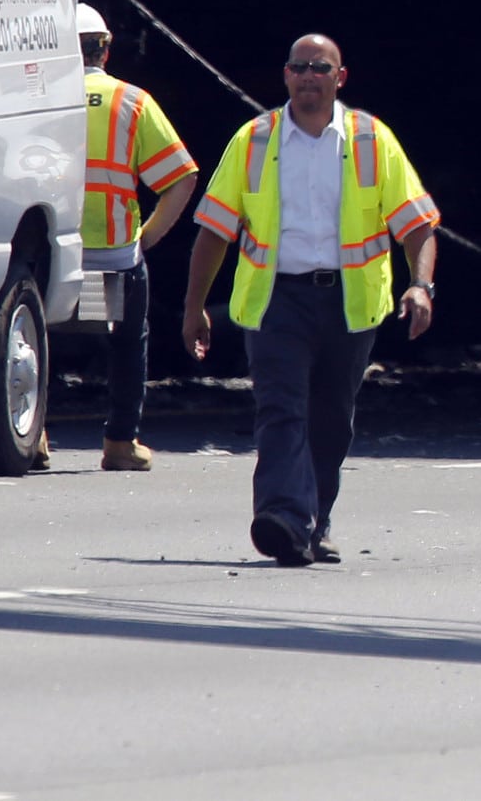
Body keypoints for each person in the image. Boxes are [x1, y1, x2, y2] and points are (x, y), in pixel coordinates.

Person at [182, 34, 439, 567]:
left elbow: (417, 226)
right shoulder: (254, 140)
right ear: (285, 76)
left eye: (319, 68)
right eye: (299, 67)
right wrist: (194, 307)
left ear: (339, 78)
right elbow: (213, 230)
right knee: (280, 409)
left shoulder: (372, 140)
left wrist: (421, 285)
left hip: (351, 303)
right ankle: (281, 516)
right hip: (277, 302)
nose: (308, 76)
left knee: (331, 419)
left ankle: (312, 523)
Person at [74, 2, 199, 471]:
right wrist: (145, 238)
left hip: (46, 257)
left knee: (35, 337)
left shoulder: (35, 97)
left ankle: (34, 434)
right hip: (110, 256)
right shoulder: (131, 101)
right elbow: (181, 178)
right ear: (105, 50)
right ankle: (119, 443)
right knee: (125, 342)